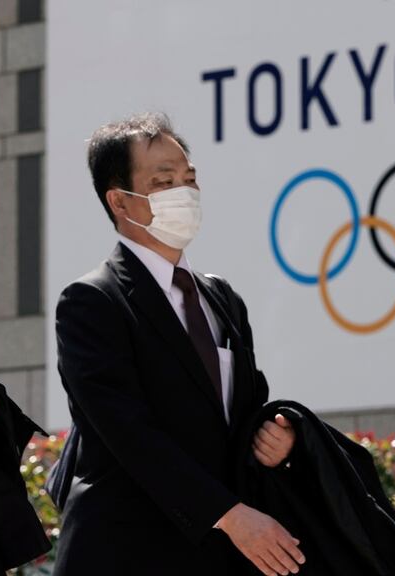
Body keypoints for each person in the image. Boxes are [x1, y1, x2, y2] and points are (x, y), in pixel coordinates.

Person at [53, 113, 307, 576]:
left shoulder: (221, 298)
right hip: (126, 554)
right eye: (163, 181)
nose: (184, 192)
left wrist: (280, 438)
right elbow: (129, 434)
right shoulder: (92, 302)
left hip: (220, 556)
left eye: (189, 179)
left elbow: (244, 410)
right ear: (120, 201)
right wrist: (230, 515)